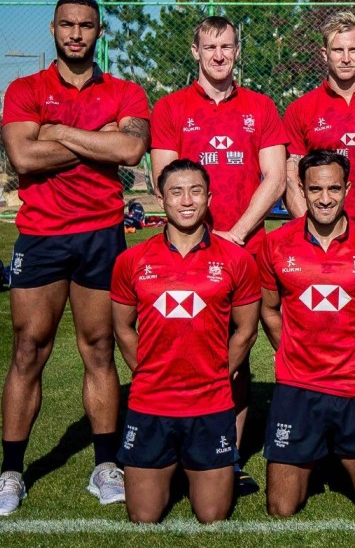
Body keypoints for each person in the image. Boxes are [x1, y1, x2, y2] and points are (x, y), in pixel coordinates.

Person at [0, 0, 150, 516]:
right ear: (53, 29)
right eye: (67, 25)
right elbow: (22, 155)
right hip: (41, 235)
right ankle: (12, 473)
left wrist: (56, 133)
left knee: (99, 349)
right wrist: (90, 139)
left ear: (99, 32)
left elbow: (129, 150)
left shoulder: (125, 91)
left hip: (102, 234)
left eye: (86, 26)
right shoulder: (25, 88)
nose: (76, 34)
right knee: (29, 350)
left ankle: (105, 465)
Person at [149, 15, 287, 494]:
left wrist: (234, 235)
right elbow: (162, 180)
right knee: (180, 349)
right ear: (195, 51)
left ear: (238, 49)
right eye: (210, 47)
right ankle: (173, 448)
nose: (219, 55)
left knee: (237, 354)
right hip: (182, 254)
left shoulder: (261, 107)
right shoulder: (170, 108)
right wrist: (201, 236)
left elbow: (275, 178)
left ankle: (225, 457)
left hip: (240, 251)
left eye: (227, 46)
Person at [110, 159, 260, 523]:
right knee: (143, 515)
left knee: (212, 515)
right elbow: (122, 328)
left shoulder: (236, 260)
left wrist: (220, 373)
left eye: (195, 191)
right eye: (176, 192)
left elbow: (247, 330)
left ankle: (209, 467)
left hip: (210, 403)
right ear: (161, 199)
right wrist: (144, 372)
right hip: (150, 404)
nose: (187, 201)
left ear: (209, 197)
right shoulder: (131, 261)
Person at [260, 149, 355, 516]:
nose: (325, 198)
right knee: (281, 508)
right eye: (315, 189)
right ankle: (318, 452)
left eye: (334, 188)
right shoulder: (275, 245)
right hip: (297, 387)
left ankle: (345, 453)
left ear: (348, 188)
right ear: (301, 190)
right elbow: (269, 309)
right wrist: (286, 349)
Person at [283, 12, 355, 235]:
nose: (346, 58)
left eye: (353, 50)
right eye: (338, 50)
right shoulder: (301, 109)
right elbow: (289, 178)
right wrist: (312, 228)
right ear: (325, 54)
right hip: (317, 238)